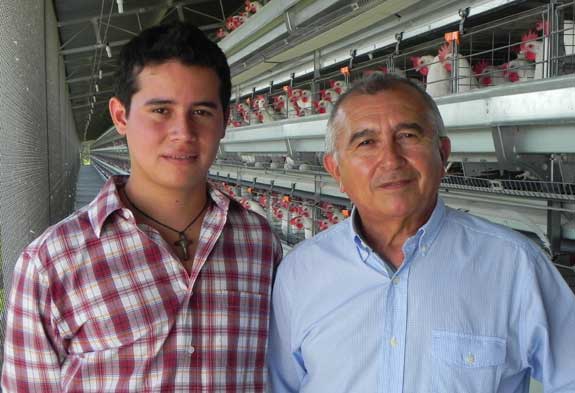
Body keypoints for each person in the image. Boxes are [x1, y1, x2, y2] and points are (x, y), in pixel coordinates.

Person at [2, 21, 282, 392]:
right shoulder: (51, 263)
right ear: (121, 116)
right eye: (161, 111)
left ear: (225, 122)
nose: (183, 132)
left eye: (201, 112)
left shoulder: (259, 243)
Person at [268, 74, 575, 392]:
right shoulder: (299, 274)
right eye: (366, 142)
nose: (390, 159)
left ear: (443, 154)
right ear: (336, 171)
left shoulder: (514, 265)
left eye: (408, 136)